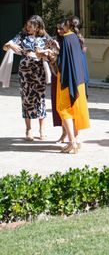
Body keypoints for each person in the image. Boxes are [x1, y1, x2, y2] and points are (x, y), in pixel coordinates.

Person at [3, 15, 50, 141]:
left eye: (30, 26)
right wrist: (11, 46)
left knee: (41, 97)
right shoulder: (21, 36)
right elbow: (5, 46)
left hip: (39, 70)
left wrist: (45, 53)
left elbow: (54, 50)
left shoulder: (45, 37)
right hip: (25, 71)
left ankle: (42, 129)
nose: (27, 28)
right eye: (27, 25)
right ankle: (28, 129)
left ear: (37, 27)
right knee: (26, 98)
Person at [54, 16, 91, 154]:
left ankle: (72, 142)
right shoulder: (76, 37)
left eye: (61, 27)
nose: (59, 30)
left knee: (64, 109)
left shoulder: (67, 39)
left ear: (67, 26)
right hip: (79, 80)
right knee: (73, 110)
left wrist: (52, 55)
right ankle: (75, 139)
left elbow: (62, 64)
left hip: (69, 80)